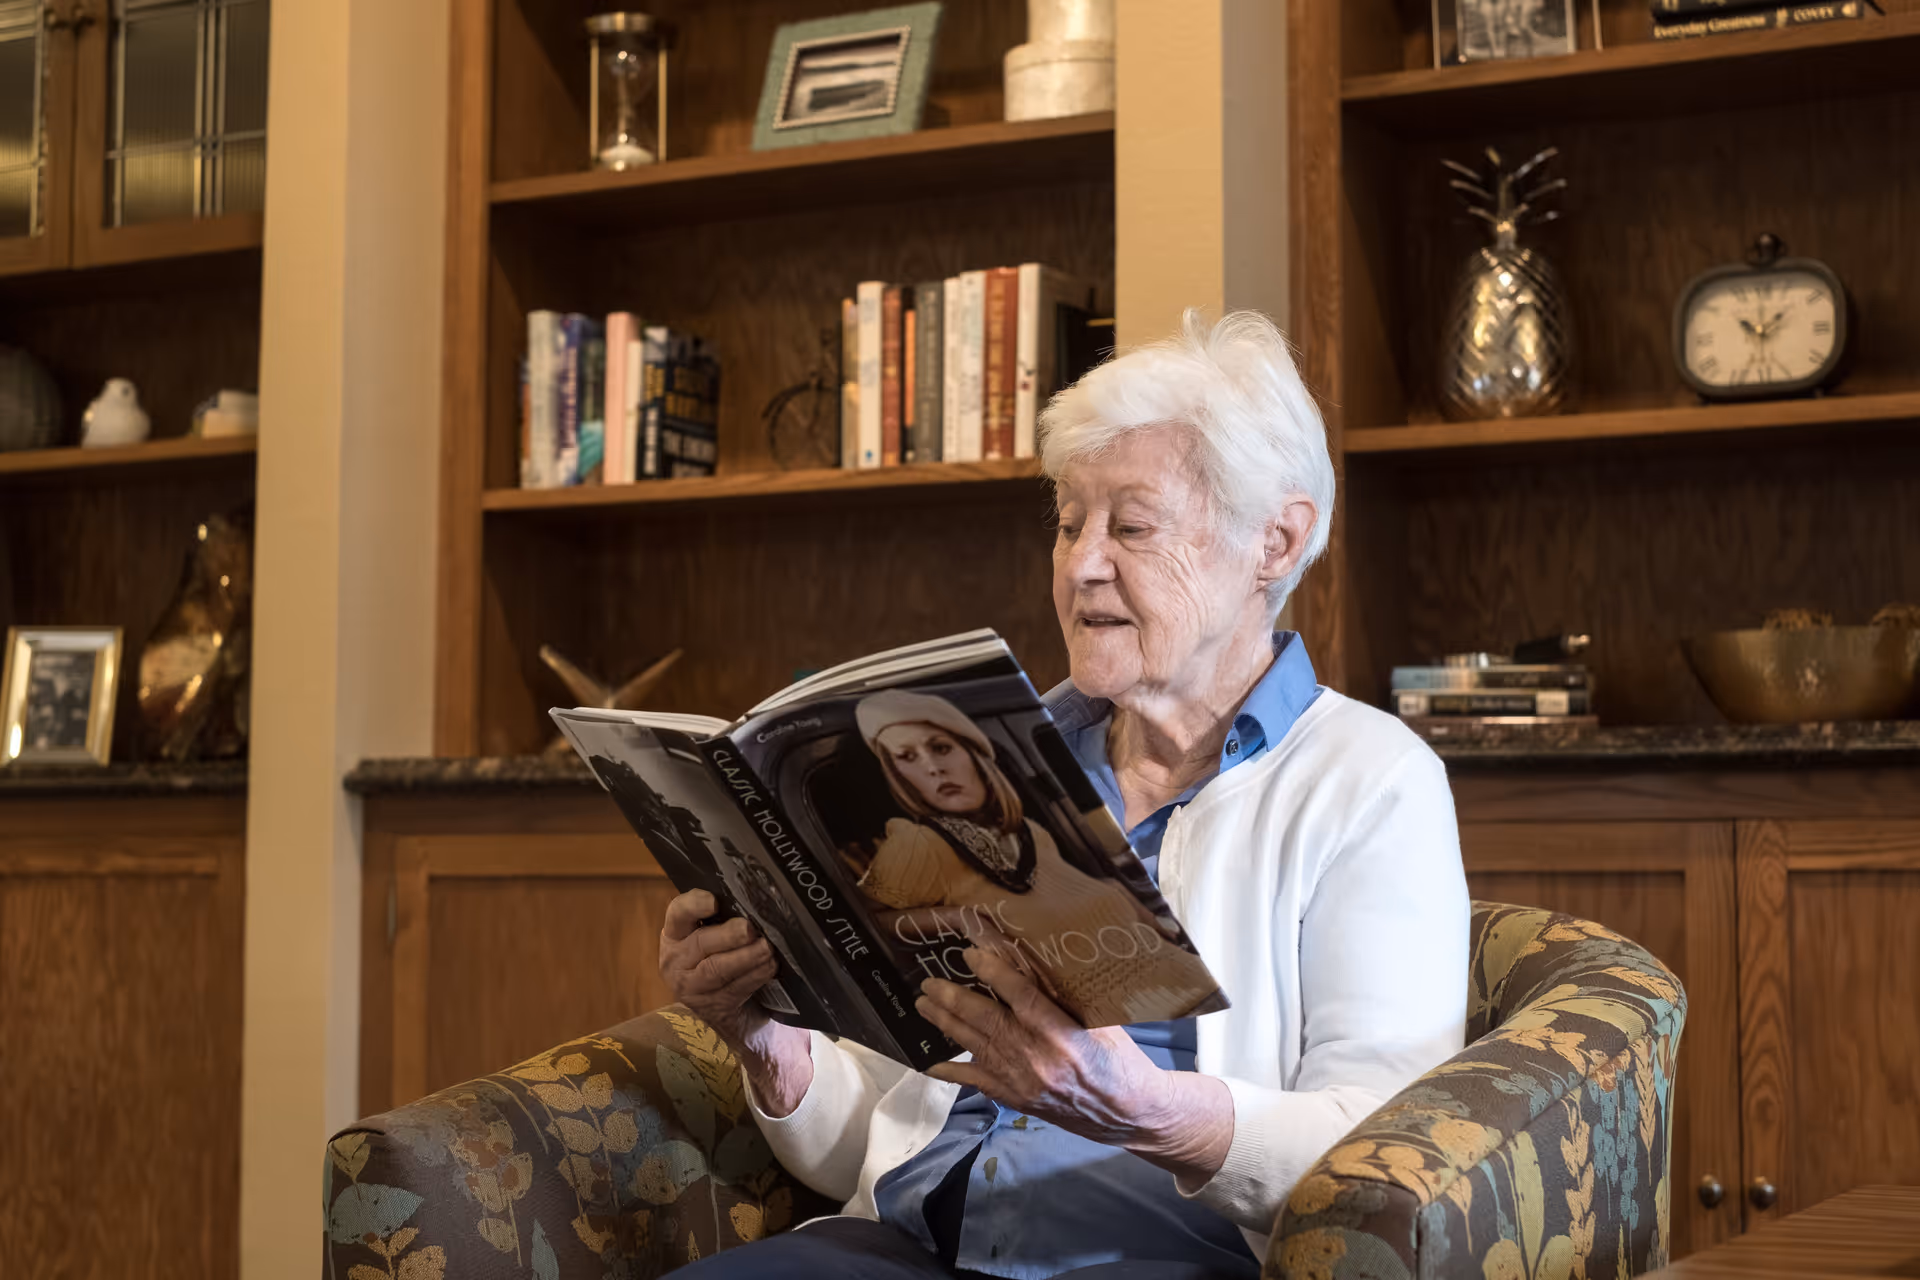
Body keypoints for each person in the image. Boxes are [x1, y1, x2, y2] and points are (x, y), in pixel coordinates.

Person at [657, 310, 1468, 1279]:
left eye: (1130, 524)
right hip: (899, 1246)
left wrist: (1147, 1110)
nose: (1083, 561)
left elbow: (1395, 1155)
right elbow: (864, 1142)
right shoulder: (986, 779)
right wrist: (765, 1038)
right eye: (1069, 519)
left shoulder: (1369, 780)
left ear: (1275, 540)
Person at [849, 689, 1213, 1027]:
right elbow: (860, 923)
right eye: (908, 758)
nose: (932, 767)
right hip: (1093, 1026)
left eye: (941, 748)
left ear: (974, 754)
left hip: (1172, 980)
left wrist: (1153, 919)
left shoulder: (1030, 829)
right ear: (899, 775)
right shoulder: (920, 843)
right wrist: (963, 918)